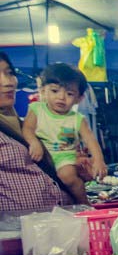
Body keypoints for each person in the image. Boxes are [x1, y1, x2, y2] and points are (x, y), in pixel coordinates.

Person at [22, 63, 107, 204]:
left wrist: (99, 160)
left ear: (79, 98)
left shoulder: (77, 119)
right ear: (43, 91)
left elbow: (90, 140)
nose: (61, 97)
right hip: (42, 155)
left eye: (69, 94)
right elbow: (27, 129)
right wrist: (34, 142)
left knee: (67, 176)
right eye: (55, 91)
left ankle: (84, 204)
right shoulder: (37, 109)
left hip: (65, 156)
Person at [0, 52, 73, 209]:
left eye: (9, 73)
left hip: (54, 222)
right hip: (16, 230)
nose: (8, 82)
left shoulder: (23, 125)